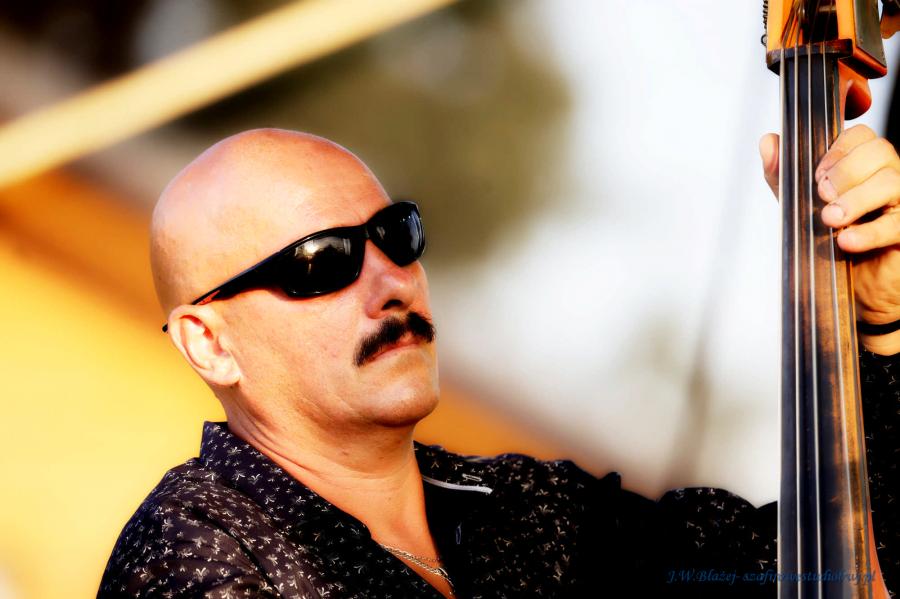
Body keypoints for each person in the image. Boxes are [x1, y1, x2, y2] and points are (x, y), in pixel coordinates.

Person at [98, 126, 900, 598]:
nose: (390, 281)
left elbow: (835, 573)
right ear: (209, 341)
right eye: (323, 261)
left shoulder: (530, 512)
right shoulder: (190, 553)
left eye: (395, 235)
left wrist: (883, 323)